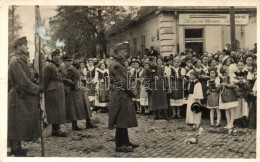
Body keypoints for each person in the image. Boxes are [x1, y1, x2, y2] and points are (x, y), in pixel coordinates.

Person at [8, 37, 42, 156]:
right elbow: (23, 82)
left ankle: (16, 147)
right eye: (24, 45)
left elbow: (28, 78)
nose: (27, 47)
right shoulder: (16, 61)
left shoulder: (20, 60)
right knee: (17, 122)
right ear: (18, 47)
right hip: (19, 95)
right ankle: (17, 151)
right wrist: (38, 89)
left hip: (20, 95)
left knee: (18, 122)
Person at [108, 43, 139, 152]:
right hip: (121, 94)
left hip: (122, 93)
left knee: (123, 118)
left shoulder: (118, 63)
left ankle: (125, 141)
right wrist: (133, 92)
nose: (126, 53)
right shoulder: (116, 65)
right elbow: (123, 81)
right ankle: (119, 145)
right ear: (118, 52)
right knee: (121, 120)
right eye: (123, 51)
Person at [65, 53, 98, 130]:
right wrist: (73, 84)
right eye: (77, 59)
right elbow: (65, 79)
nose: (79, 60)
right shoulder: (71, 68)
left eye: (80, 59)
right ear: (74, 60)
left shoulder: (79, 67)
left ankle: (88, 123)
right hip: (75, 91)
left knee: (86, 106)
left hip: (82, 89)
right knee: (74, 108)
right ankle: (74, 125)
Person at [43, 49, 67, 137]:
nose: (59, 57)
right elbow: (45, 80)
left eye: (59, 55)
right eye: (57, 55)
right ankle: (55, 130)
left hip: (58, 89)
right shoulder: (49, 66)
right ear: (53, 56)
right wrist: (44, 91)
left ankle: (57, 129)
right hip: (52, 90)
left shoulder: (57, 66)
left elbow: (63, 75)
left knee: (59, 109)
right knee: (54, 110)